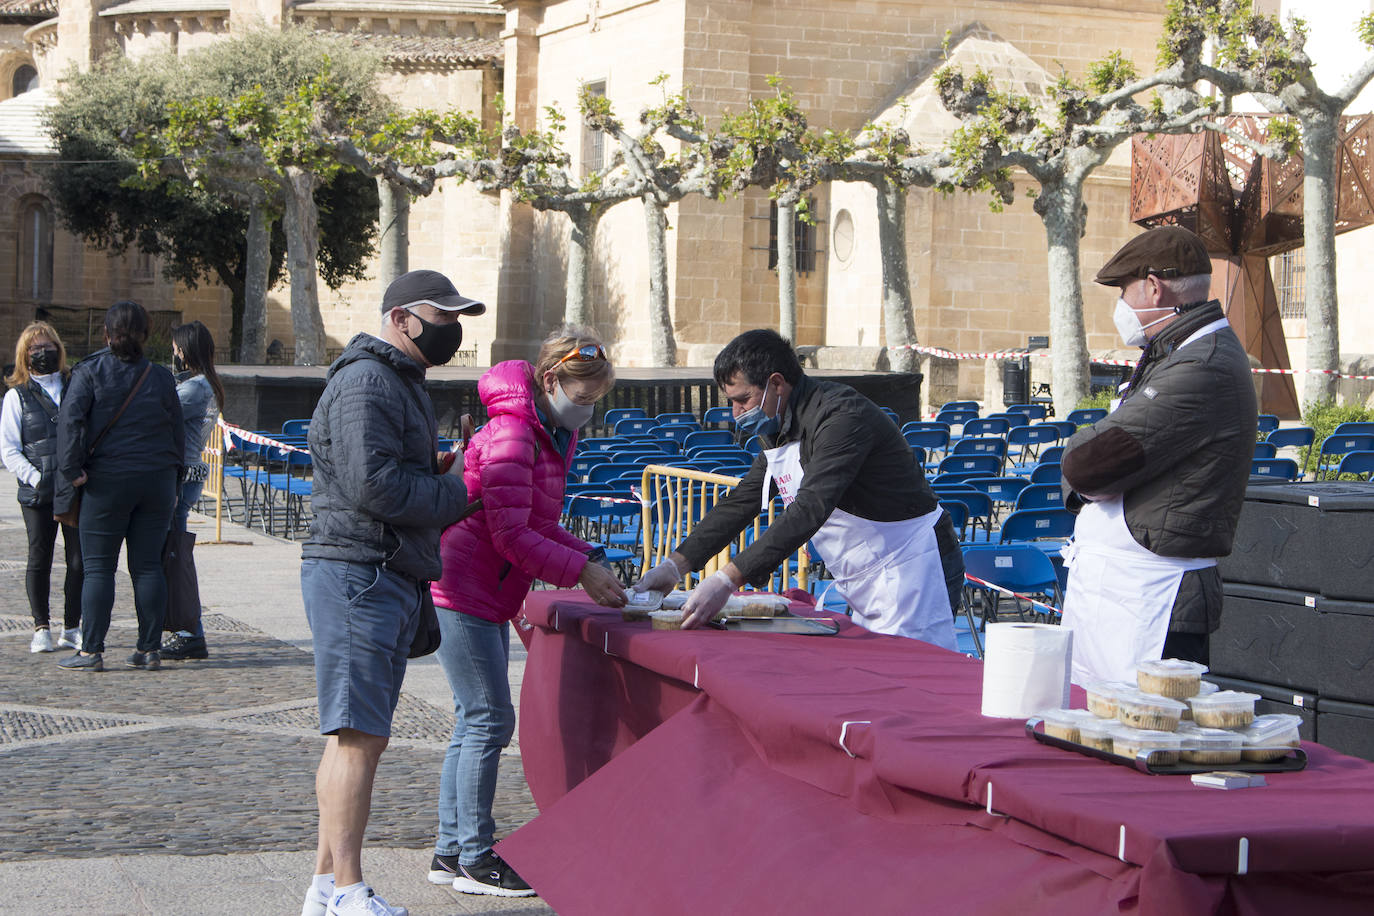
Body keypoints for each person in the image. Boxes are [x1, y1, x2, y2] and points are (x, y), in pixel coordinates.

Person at [298, 269, 476, 916]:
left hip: (378, 569)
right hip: (360, 571)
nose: (451, 330)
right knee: (357, 734)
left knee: (358, 735)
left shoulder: (394, 382)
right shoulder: (368, 382)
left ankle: (324, 889)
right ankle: (346, 889)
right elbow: (373, 487)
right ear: (401, 318)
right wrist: (455, 493)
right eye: (443, 316)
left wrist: (429, 473)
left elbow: (385, 474)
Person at [426, 327, 626, 898]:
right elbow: (512, 535)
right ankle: (473, 856)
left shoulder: (547, 433)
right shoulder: (516, 436)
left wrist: (588, 554)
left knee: (473, 721)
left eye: (593, 401)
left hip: (482, 588)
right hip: (464, 588)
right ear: (549, 380)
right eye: (580, 397)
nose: (585, 411)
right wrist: (581, 571)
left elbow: (536, 521)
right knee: (487, 719)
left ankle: (451, 849)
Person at [633, 329, 964, 647]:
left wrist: (728, 579)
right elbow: (743, 501)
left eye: (742, 400)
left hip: (912, 566)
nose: (736, 414)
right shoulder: (778, 424)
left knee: (913, 676)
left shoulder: (842, 418)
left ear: (776, 383)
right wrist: (675, 566)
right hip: (866, 574)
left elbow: (809, 509)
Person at [1058, 226, 1257, 686]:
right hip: (1126, 593)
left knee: (1151, 731)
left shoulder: (1201, 365)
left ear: (1153, 286)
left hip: (1157, 602)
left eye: (1124, 292)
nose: (1121, 307)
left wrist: (1079, 445)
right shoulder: (1176, 353)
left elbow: (1088, 464)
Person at [55, 301, 183, 672]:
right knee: (147, 567)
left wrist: (71, 470)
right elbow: (176, 432)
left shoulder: (89, 372)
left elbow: (71, 424)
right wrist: (173, 479)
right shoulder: (160, 377)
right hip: (156, 479)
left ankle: (91, 649)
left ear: (107, 334)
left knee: (98, 569)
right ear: (146, 334)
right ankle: (149, 648)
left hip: (107, 481)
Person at [2, 321, 83, 653]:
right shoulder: (15, 396)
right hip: (37, 492)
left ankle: (72, 626)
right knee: (40, 558)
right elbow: (9, 448)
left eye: (48, 346)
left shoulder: (75, 385)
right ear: (25, 354)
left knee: (78, 560)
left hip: (75, 488)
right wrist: (37, 477)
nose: (43, 353)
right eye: (36, 348)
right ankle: (41, 627)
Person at [159, 321, 225, 661]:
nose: (174, 353)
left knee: (175, 554)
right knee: (173, 552)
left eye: (176, 348)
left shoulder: (195, 388)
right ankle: (182, 626)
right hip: (190, 472)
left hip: (181, 477)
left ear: (186, 350)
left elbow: (158, 413)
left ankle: (190, 630)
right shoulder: (203, 383)